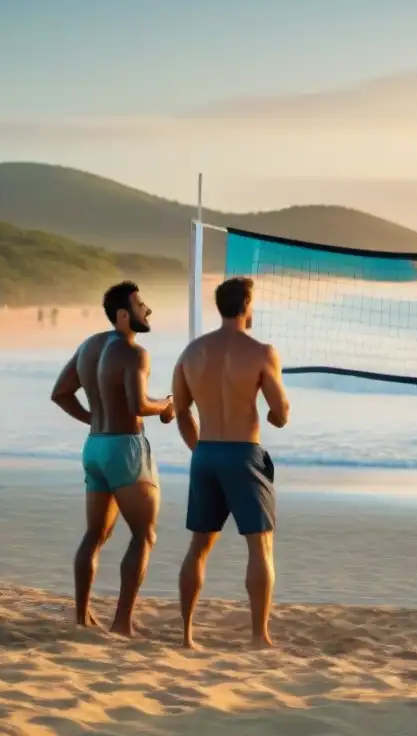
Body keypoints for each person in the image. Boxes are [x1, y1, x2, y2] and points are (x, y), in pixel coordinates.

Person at [50, 281, 174, 635]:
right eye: (140, 305)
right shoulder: (135, 353)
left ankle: (82, 615)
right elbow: (138, 405)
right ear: (124, 315)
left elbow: (60, 393)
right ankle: (121, 623)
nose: (147, 310)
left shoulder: (89, 345)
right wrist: (165, 407)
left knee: (94, 535)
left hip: (95, 446)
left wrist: (94, 419)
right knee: (144, 535)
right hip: (125, 449)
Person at [172, 276, 289, 649]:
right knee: (260, 547)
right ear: (247, 304)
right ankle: (259, 635)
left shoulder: (191, 353)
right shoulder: (261, 351)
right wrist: (274, 418)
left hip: (206, 453)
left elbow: (181, 410)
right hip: (243, 453)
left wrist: (200, 450)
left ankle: (187, 635)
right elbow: (281, 411)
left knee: (198, 546)